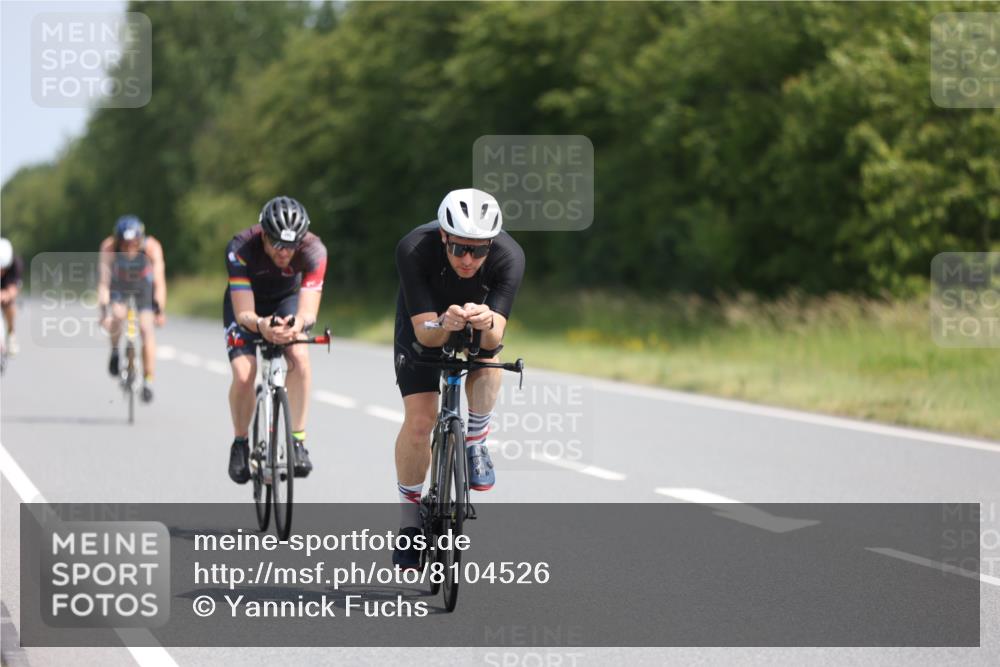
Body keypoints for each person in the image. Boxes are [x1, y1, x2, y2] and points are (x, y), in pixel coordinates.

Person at [392, 188, 525, 568]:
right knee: (420, 422)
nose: (469, 259)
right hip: (426, 322)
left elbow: (495, 337)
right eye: (460, 248)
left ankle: (476, 441)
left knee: (489, 357)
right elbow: (424, 334)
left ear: (492, 245)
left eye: (479, 250)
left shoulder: (509, 256)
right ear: (444, 238)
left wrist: (485, 322)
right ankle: (409, 524)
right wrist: (445, 322)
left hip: (475, 324)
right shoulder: (414, 248)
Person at [224, 196, 327, 484]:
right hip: (248, 305)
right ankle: (240, 442)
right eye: (278, 245)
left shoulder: (315, 250)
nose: (285, 253)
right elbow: (244, 311)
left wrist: (297, 324)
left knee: (300, 359)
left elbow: (308, 310)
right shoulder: (241, 247)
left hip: (286, 301)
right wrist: (260, 324)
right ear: (263, 235)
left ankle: (297, 440)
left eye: (292, 246)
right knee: (245, 375)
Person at [97, 216, 167, 402]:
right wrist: (103, 312)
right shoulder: (109, 247)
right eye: (125, 244)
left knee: (146, 329)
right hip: (119, 284)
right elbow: (104, 283)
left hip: (144, 286)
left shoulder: (152, 247)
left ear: (140, 240)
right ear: (118, 241)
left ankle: (148, 380)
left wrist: (159, 310)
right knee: (118, 316)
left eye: (134, 244)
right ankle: (114, 351)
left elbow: (159, 282)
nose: (129, 249)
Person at [0, 238, 24, 355]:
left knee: (9, 305)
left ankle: (11, 334)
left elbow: (14, 288)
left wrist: (6, 295)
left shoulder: (16, 263)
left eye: (3, 268)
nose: (1, 271)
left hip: (6, 287)